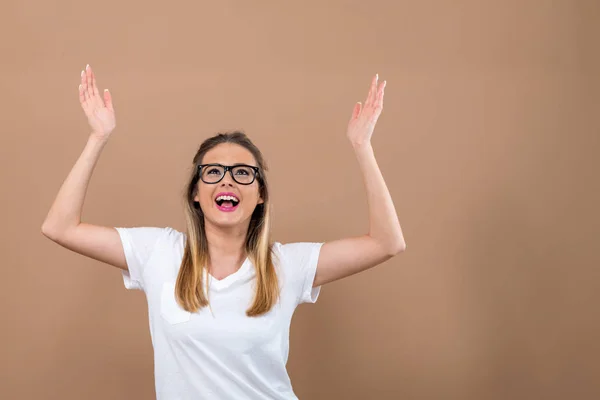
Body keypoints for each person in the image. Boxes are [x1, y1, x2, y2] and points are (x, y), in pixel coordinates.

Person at [41, 64, 406, 399]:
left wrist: (362, 146)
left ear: (260, 194)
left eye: (243, 173)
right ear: (196, 194)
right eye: (213, 172)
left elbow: (387, 243)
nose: (227, 180)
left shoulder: (286, 265)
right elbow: (60, 227)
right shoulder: (159, 253)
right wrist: (97, 137)